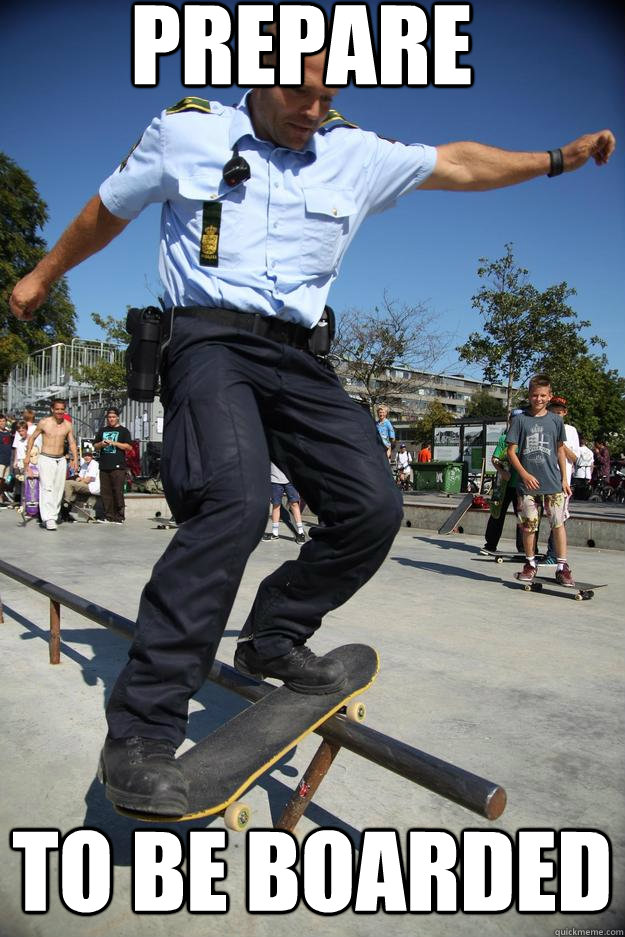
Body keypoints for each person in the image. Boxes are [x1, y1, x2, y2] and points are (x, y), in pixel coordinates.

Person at [9, 41, 614, 815]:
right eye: (300, 93)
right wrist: (42, 274)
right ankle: (140, 731)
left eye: (328, 96)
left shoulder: (352, 151)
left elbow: (458, 163)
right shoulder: (187, 130)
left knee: (372, 506)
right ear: (257, 77)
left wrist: (554, 160)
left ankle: (274, 633)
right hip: (207, 342)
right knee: (234, 503)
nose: (314, 110)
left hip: (299, 358)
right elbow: (106, 210)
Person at [507, 374, 574, 586]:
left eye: (543, 395)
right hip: (527, 485)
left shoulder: (556, 420)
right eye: (535, 395)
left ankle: (562, 567)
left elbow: (560, 450)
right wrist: (524, 475)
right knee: (529, 526)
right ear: (529, 395)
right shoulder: (520, 420)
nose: (539, 399)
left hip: (553, 482)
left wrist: (564, 478)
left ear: (550, 396)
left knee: (558, 523)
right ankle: (530, 563)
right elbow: (511, 452)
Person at [23, 399, 78, 531]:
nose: (59, 411)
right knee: (47, 488)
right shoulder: (44, 422)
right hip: (46, 458)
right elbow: (32, 438)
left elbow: (71, 442)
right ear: (52, 410)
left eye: (62, 409)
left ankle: (53, 514)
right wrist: (27, 457)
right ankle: (48, 518)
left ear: (65, 410)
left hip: (61, 459)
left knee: (58, 489)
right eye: (57, 409)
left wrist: (75, 458)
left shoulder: (68, 425)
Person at [482, 410, 525, 555]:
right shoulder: (504, 439)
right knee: (497, 513)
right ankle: (490, 544)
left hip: (521, 485)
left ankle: (524, 548)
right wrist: (502, 471)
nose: (516, 423)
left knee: (523, 516)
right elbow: (494, 459)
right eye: (514, 420)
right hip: (504, 485)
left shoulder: (526, 439)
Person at [543, 396, 580, 564]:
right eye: (553, 412)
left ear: (565, 413)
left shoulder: (570, 430)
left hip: (561, 480)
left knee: (559, 517)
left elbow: (574, 457)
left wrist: (561, 443)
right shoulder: (544, 427)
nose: (556, 415)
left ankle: (554, 554)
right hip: (544, 476)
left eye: (560, 412)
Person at [93, 409, 132, 524]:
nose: (111, 419)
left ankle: (119, 516)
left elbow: (128, 447)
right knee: (106, 492)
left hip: (118, 466)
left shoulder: (124, 431)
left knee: (117, 491)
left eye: (113, 417)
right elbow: (95, 445)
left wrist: (114, 443)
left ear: (117, 417)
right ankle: (108, 516)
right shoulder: (102, 430)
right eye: (109, 417)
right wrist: (101, 444)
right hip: (104, 465)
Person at [263, 462, 306, 543]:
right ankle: (275, 534)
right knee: (276, 505)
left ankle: (301, 533)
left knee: (294, 504)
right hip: (274, 480)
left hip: (289, 480)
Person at [63, 449, 101, 515]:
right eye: (85, 455)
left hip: (92, 487)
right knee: (66, 482)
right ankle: (66, 503)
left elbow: (88, 480)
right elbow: (79, 478)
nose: (87, 457)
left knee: (68, 483)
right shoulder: (84, 464)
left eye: (89, 455)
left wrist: (80, 480)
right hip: (85, 484)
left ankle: (66, 503)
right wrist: (81, 479)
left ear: (92, 456)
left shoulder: (94, 464)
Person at [0, 414, 13, 507]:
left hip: (7, 460)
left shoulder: (8, 433)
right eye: (0, 421)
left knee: (5, 480)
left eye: (3, 421)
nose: (2, 423)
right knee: (0, 480)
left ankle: (1, 496)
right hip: (0, 460)